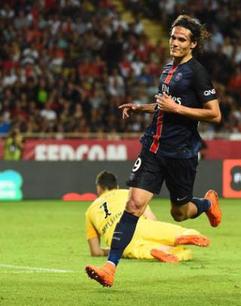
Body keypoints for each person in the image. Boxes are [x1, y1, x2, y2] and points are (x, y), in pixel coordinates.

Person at [85, 15, 222, 287]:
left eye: (181, 39)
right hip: (153, 148)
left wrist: (178, 109)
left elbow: (215, 114)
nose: (175, 42)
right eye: (173, 36)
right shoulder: (168, 68)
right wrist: (141, 108)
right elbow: (164, 104)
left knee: (179, 212)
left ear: (193, 44)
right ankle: (110, 267)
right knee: (134, 204)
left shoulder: (198, 73)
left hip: (181, 152)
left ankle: (206, 203)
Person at [86, 171, 210, 263]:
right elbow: (151, 219)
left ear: (99, 188)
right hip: (138, 223)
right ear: (116, 186)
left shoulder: (90, 210)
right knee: (177, 240)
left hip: (117, 237)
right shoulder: (128, 193)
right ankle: (187, 234)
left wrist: (111, 249)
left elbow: (95, 251)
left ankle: (157, 251)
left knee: (138, 250)